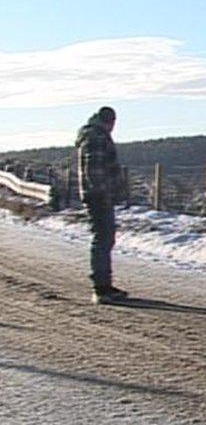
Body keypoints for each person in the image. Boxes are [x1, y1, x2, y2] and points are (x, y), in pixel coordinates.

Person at [76, 106, 129, 304]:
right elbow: (94, 169)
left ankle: (104, 284)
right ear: (110, 121)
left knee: (104, 238)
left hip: (96, 195)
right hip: (99, 196)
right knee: (103, 239)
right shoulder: (97, 137)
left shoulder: (92, 135)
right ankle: (101, 288)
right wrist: (105, 193)